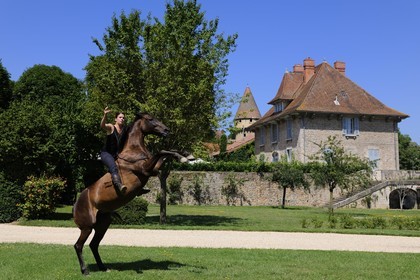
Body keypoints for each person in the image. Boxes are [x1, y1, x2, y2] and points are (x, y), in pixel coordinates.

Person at [100, 107, 127, 193]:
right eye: (120, 117)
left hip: (116, 155)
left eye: (123, 118)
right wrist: (105, 115)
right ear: (115, 119)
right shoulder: (111, 127)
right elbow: (103, 125)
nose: (122, 119)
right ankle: (118, 184)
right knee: (113, 167)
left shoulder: (124, 130)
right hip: (106, 154)